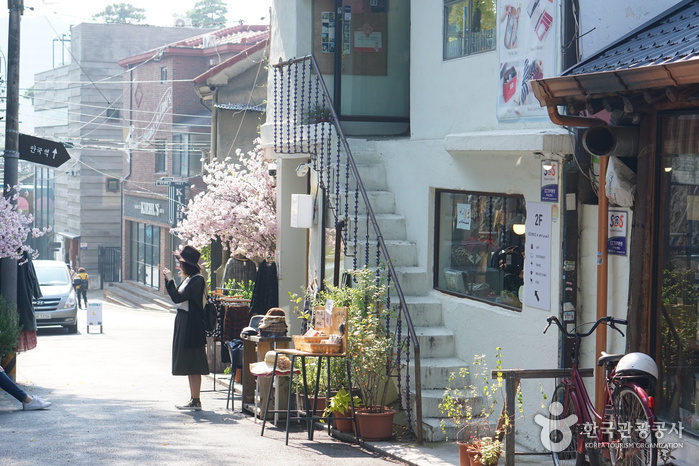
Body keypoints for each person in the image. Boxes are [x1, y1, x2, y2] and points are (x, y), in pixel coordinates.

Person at [162, 245, 209, 411]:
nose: (179, 266)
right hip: (184, 320)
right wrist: (170, 280)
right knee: (190, 361)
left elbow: (177, 297)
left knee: (194, 361)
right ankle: (194, 399)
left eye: (181, 263)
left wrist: (169, 279)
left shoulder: (197, 280)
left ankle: (196, 399)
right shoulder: (190, 279)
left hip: (192, 323)